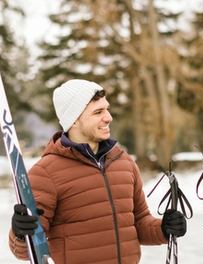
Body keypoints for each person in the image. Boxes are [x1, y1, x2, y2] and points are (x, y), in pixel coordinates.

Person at [9, 79, 186, 264]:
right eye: (98, 112)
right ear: (74, 120)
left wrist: (164, 229)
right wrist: (20, 233)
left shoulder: (123, 162)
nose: (108, 117)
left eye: (107, 109)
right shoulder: (45, 173)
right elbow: (27, 249)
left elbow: (139, 222)